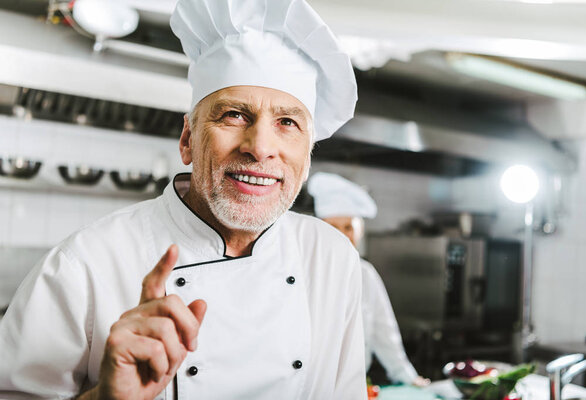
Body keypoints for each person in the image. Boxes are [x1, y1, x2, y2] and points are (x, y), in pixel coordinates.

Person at [0, 1, 367, 399]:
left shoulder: (330, 257)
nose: (260, 148)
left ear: (307, 157)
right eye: (233, 115)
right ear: (188, 140)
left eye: (288, 123)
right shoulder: (85, 264)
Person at [307, 172, 430, 387]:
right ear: (320, 229)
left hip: (354, 383)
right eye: (333, 227)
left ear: (360, 231)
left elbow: (384, 331)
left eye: (348, 227)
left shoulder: (365, 273)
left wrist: (408, 376)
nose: (342, 235)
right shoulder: (303, 270)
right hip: (309, 385)